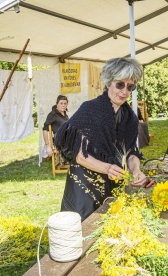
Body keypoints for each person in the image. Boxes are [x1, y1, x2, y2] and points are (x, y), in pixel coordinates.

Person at [54, 57, 146, 221]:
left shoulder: (129, 117)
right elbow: (80, 156)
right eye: (120, 84)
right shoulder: (90, 110)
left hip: (113, 184)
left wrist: (136, 170)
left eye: (130, 86)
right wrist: (107, 168)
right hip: (85, 188)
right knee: (82, 233)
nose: (125, 91)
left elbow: (131, 152)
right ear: (109, 82)